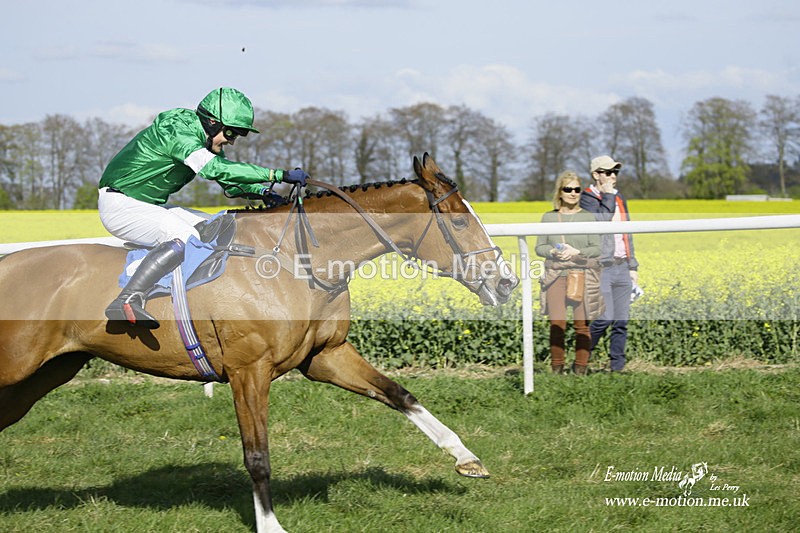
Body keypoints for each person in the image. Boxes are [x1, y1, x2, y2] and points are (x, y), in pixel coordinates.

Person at [98, 87, 309, 329]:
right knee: (183, 236)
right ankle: (127, 299)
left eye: (238, 135)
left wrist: (264, 192)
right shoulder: (177, 132)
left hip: (147, 206)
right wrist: (277, 174)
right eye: (230, 132)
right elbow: (213, 169)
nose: (231, 140)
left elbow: (229, 180)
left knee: (211, 229)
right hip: (121, 206)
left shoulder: (202, 140)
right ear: (211, 122)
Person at [535, 171, 603, 375]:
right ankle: (557, 369)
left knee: (582, 326)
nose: (573, 193)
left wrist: (578, 252)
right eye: (568, 189)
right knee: (557, 325)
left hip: (582, 276)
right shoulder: (549, 217)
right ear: (560, 192)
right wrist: (553, 251)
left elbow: (597, 248)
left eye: (577, 189)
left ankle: (580, 370)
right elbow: (539, 247)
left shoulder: (588, 217)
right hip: (556, 276)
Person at [579, 155, 639, 372]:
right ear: (596, 175)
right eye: (607, 172)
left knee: (621, 322)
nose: (612, 176)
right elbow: (602, 221)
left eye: (615, 172)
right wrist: (608, 195)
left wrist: (633, 265)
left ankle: (617, 369)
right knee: (604, 318)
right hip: (601, 266)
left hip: (622, 265)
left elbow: (627, 231)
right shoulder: (586, 198)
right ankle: (581, 362)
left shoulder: (618, 196)